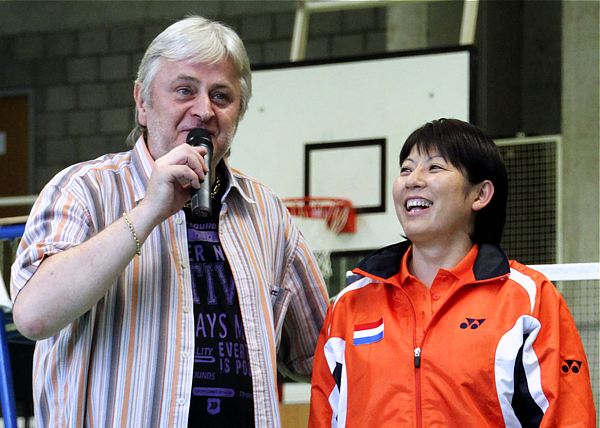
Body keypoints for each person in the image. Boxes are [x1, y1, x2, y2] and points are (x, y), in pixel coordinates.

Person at [11, 16, 329, 427]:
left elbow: (319, 354)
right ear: (142, 102)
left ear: (239, 114)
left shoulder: (266, 213)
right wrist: (148, 211)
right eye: (184, 90)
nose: (203, 110)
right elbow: (35, 315)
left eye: (221, 96)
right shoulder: (84, 190)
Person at [309, 118, 596, 427]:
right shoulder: (350, 305)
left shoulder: (529, 301)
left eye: (434, 168)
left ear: (480, 195)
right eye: (406, 168)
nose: (412, 180)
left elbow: (568, 417)